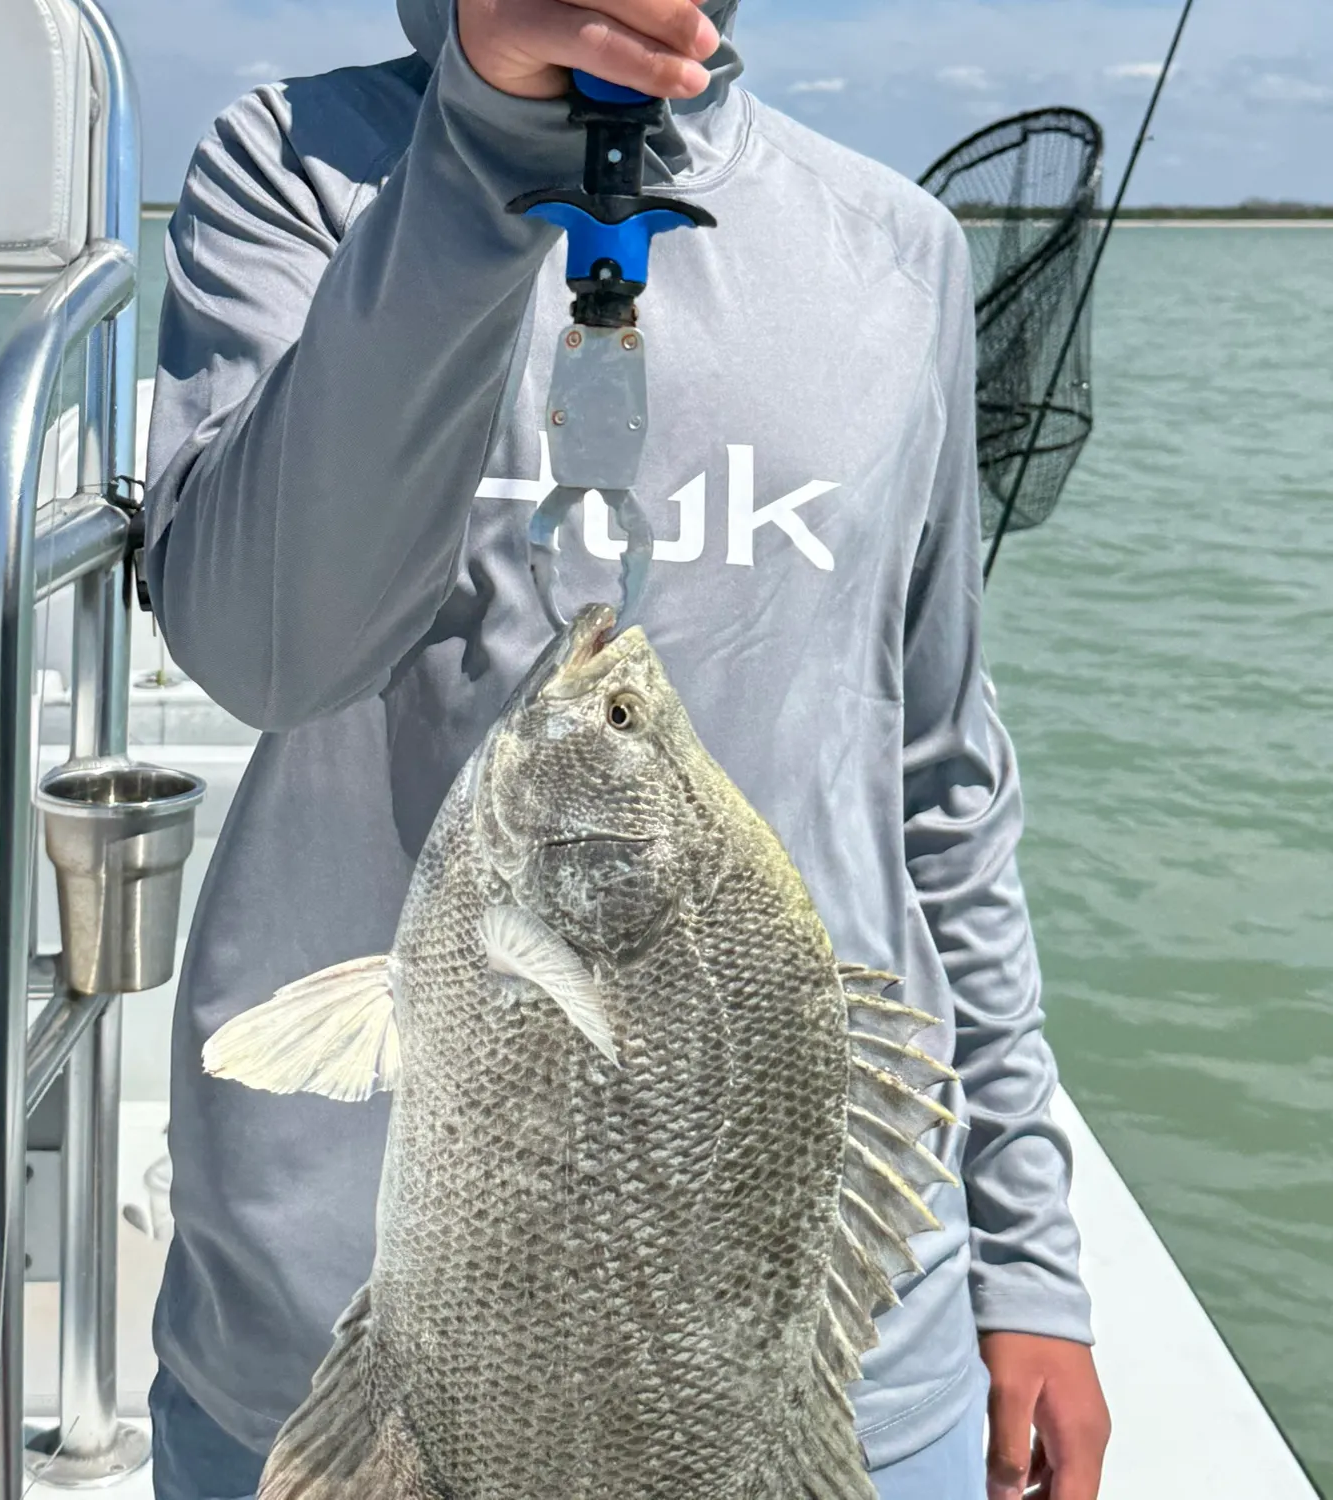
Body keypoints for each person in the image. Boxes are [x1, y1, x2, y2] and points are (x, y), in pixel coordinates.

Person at [140, 0, 1113, 1496]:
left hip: (815, 1343)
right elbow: (269, 651)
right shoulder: (299, 167)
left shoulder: (898, 249)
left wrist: (1027, 1256)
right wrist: (481, 137)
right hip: (347, 1364)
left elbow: (936, 788)